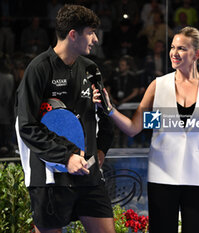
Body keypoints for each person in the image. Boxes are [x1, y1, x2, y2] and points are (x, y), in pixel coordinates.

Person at [93, 26, 199, 233]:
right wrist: (109, 110)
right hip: (162, 176)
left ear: (197, 54)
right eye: (173, 47)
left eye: (181, 48)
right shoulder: (158, 86)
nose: (174, 53)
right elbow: (133, 128)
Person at [15, 5, 115, 233]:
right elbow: (27, 127)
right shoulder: (38, 69)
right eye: (90, 32)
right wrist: (66, 157)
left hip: (88, 176)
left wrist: (101, 149)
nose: (96, 39)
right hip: (50, 178)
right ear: (73, 34)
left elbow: (103, 114)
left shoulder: (91, 69)